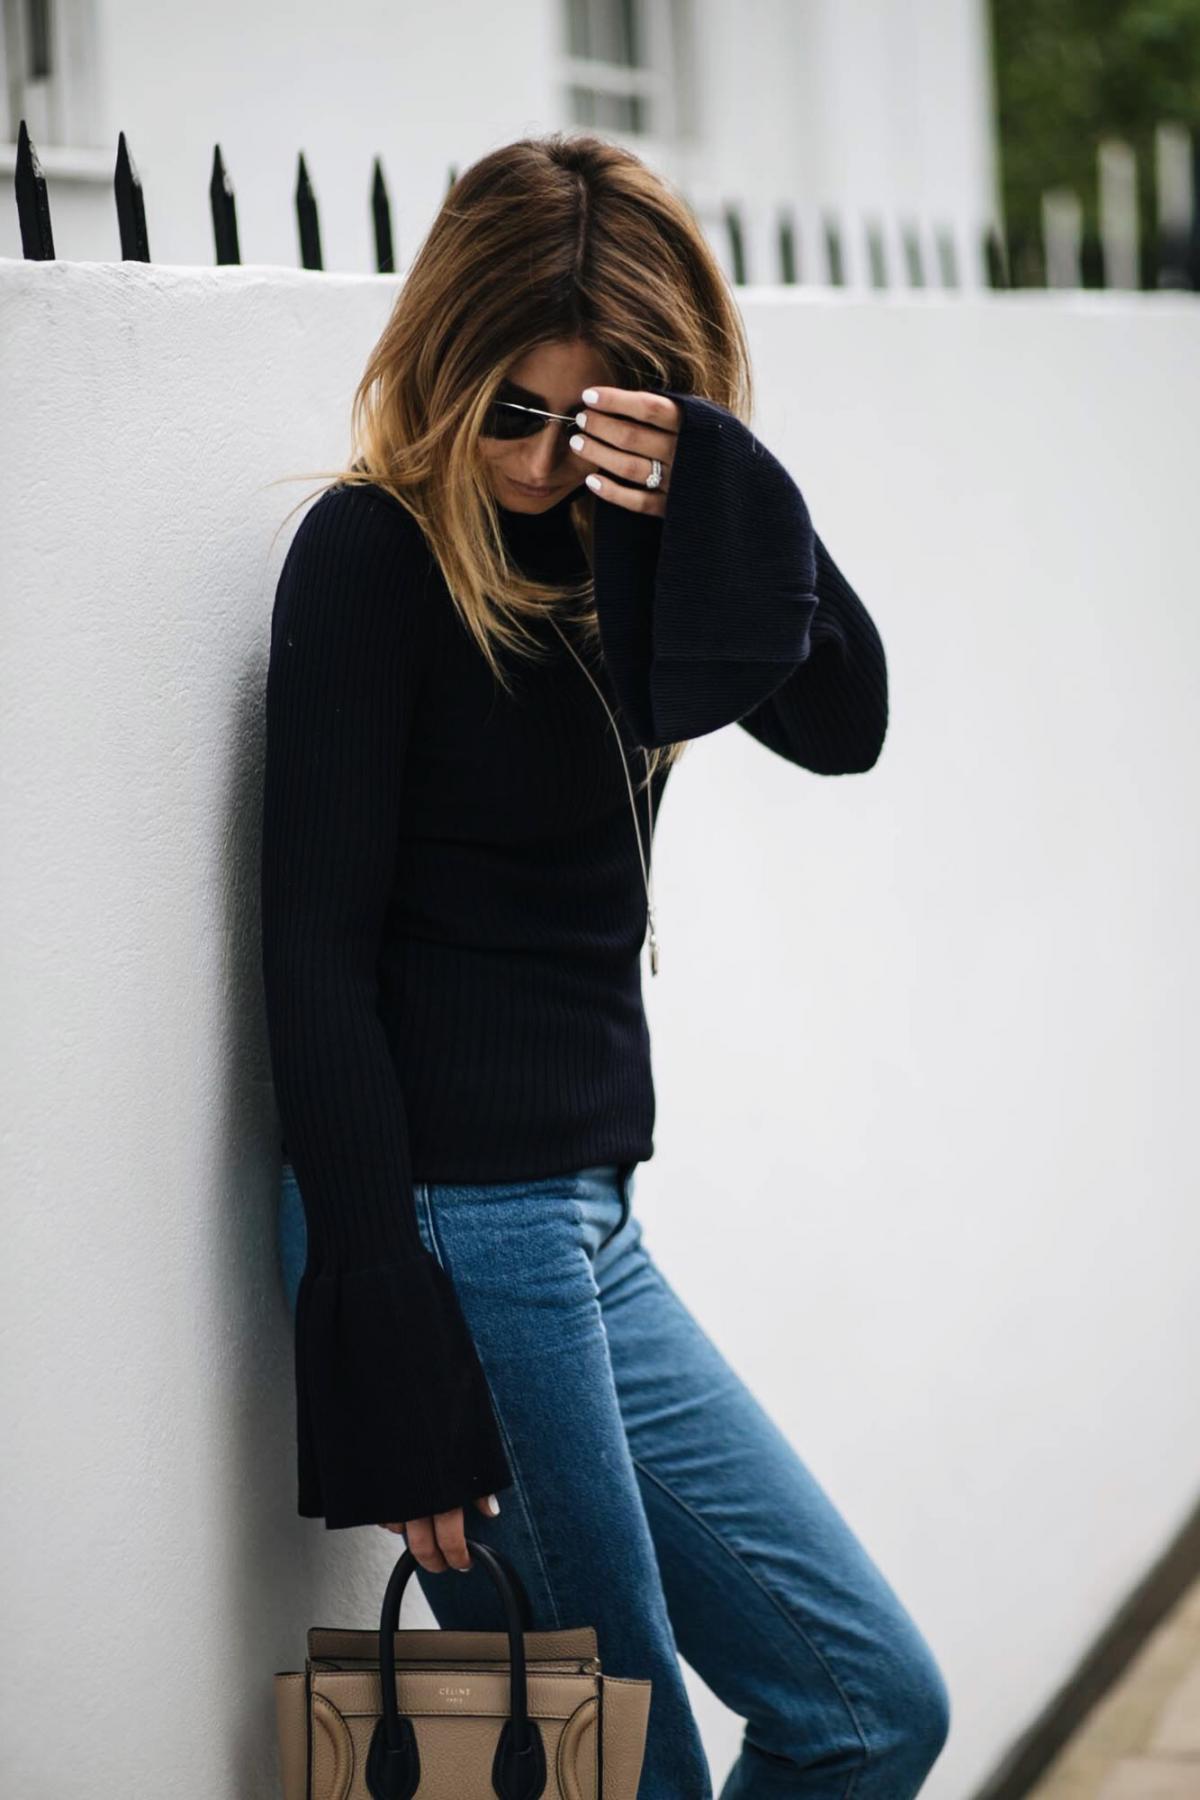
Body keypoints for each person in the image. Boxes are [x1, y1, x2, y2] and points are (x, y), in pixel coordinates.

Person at [260, 130, 950, 1798]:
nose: (537, 455)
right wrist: (389, 1346)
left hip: (587, 1223)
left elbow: (843, 719)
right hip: (454, 1226)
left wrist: (720, 484)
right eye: (509, 407)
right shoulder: (372, 555)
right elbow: (312, 954)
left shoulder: (634, 556)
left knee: (870, 1708)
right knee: (632, 1776)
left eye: (586, 421)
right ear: (444, 359)